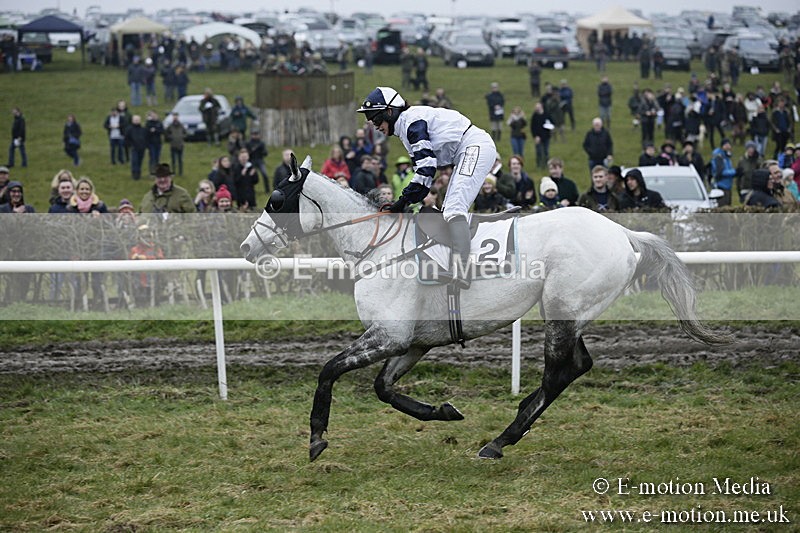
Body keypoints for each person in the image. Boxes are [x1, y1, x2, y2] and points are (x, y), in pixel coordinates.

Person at [357, 86, 497, 289]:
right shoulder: (406, 125)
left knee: (453, 209)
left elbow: (426, 169)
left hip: (474, 146)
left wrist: (402, 202)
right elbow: (424, 175)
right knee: (447, 210)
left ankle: (462, 270)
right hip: (467, 150)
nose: (375, 126)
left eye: (376, 119)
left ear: (390, 111)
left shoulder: (412, 122)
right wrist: (405, 201)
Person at [710, 138, 736, 206]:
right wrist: (735, 172)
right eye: (726, 144)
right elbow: (721, 172)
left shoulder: (727, 156)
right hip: (721, 186)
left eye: (729, 144)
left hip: (727, 186)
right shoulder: (719, 157)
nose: (728, 146)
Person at [529, 102, 553, 170]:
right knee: (538, 151)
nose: (537, 109)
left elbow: (552, 123)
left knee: (546, 152)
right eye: (536, 108)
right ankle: (538, 165)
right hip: (538, 137)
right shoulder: (535, 116)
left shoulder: (547, 115)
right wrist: (535, 136)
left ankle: (546, 165)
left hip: (546, 137)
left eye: (538, 107)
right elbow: (532, 127)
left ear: (541, 107)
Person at [124, 115, 147, 180]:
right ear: (132, 120)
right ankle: (134, 174)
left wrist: (145, 145)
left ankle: (139, 173)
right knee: (135, 161)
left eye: (138, 120)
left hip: (142, 148)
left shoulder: (143, 129)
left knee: (140, 161)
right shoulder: (129, 129)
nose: (136, 121)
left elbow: (146, 137)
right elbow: (126, 138)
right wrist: (130, 145)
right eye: (135, 120)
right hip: (134, 148)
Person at [164, 112, 186, 176]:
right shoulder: (170, 126)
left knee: (180, 160)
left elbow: (185, 133)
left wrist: (182, 137)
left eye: (176, 116)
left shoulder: (181, 125)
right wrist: (170, 137)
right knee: (173, 160)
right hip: (173, 145)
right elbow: (166, 134)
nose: (175, 117)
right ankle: (173, 172)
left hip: (180, 144)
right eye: (174, 116)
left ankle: (180, 172)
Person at [145, 109, 164, 174]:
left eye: (154, 115)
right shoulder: (148, 123)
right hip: (151, 143)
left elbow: (162, 131)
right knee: (152, 158)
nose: (153, 116)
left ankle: (157, 171)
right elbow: (146, 132)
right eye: (152, 115)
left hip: (158, 143)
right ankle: (151, 171)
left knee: (157, 158)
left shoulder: (159, 122)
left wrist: (155, 130)